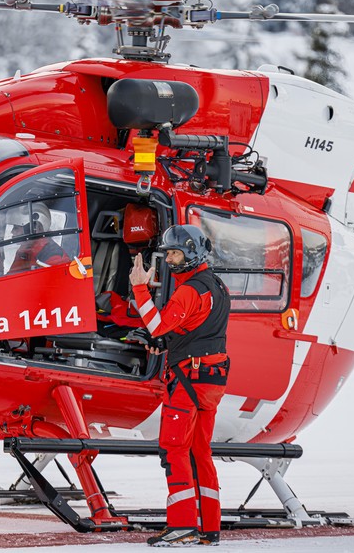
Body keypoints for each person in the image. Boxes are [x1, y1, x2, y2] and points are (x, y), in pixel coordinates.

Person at [128, 224, 230, 547]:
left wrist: (139, 289)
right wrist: (169, 341)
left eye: (175, 253)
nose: (170, 260)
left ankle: (183, 525)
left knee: (174, 449)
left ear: (191, 253)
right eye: (168, 253)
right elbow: (197, 328)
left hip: (189, 379)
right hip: (213, 379)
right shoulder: (217, 286)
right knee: (201, 450)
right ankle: (209, 528)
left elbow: (158, 324)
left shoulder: (188, 291)